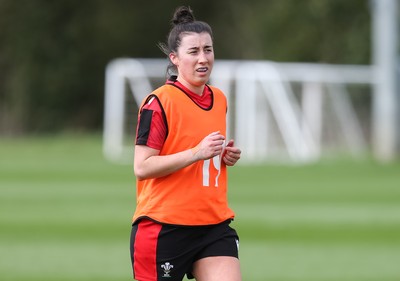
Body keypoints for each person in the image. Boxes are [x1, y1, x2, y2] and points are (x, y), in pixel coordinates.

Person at [130, 6, 242, 281]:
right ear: (175, 59)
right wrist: (197, 153)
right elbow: (142, 167)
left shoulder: (219, 98)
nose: (203, 58)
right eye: (193, 52)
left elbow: (202, 152)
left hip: (213, 225)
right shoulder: (158, 103)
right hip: (164, 227)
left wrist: (222, 156)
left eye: (208, 49)